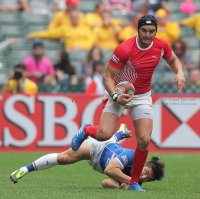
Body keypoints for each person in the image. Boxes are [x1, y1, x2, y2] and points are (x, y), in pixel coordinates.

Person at [71, 14, 185, 191]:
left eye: (151, 31)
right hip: (119, 92)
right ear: (138, 30)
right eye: (144, 31)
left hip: (142, 96)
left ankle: (133, 182)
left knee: (144, 140)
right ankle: (86, 129)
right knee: (104, 134)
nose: (148, 35)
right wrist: (116, 96)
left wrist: (180, 72)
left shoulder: (161, 46)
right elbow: (108, 77)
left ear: (156, 31)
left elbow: (174, 60)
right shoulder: (125, 49)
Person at [10, 124, 165, 189]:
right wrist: (130, 183)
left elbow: (105, 183)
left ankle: (121, 132)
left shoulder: (135, 181)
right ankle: (24, 169)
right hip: (97, 148)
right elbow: (110, 170)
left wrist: (121, 187)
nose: (144, 177)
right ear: (144, 164)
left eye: (148, 178)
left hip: (99, 159)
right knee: (64, 159)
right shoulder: (133, 156)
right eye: (146, 172)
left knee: (113, 141)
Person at [28, 11, 94, 51]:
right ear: (70, 18)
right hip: (69, 51)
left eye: (76, 17)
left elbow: (90, 41)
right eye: (73, 18)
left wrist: (80, 47)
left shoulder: (86, 29)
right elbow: (50, 33)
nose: (75, 19)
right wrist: (34, 34)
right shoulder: (64, 28)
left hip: (83, 51)